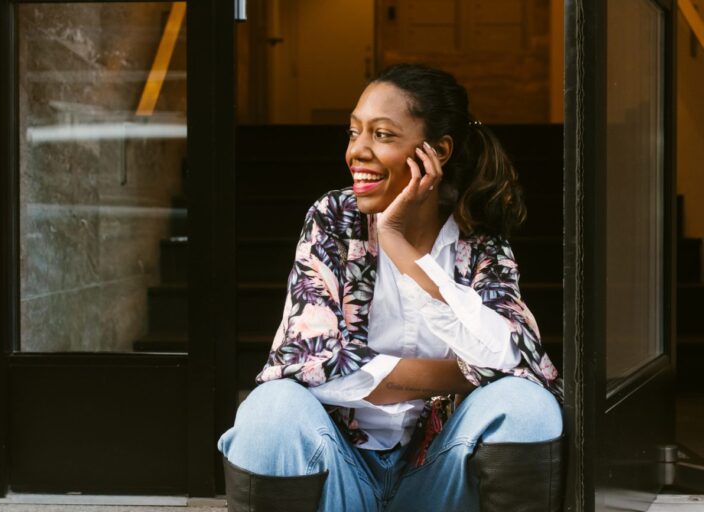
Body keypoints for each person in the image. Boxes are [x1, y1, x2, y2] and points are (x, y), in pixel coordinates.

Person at [218, 64, 564, 512]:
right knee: (269, 412)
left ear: (435, 151)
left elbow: (515, 358)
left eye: (381, 135)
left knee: (525, 407)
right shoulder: (334, 219)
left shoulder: (477, 236)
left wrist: (399, 244)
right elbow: (306, 364)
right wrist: (461, 372)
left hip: (438, 472)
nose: (356, 152)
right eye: (353, 132)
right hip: (341, 469)